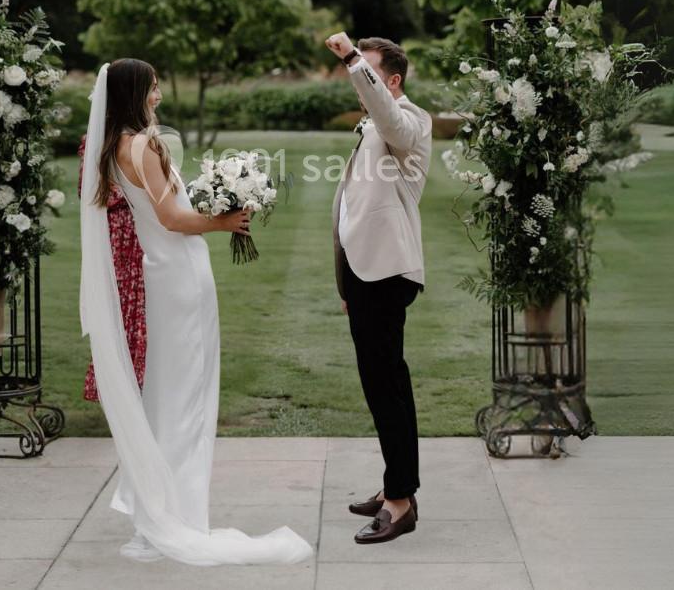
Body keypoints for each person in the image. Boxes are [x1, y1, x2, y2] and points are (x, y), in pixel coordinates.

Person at [77, 58, 315, 566]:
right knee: (186, 399)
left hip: (160, 276)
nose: (159, 94)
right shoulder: (142, 145)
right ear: (136, 91)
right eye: (154, 86)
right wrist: (224, 220)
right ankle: (177, 518)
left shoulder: (116, 147)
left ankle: (158, 509)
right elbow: (172, 217)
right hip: (178, 278)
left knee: (168, 394)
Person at [325, 33, 433, 545]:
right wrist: (346, 274)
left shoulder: (408, 121)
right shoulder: (378, 121)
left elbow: (388, 118)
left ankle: (400, 502)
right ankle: (395, 483)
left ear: (393, 80)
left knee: (387, 385)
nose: (356, 81)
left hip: (387, 274)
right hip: (364, 272)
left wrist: (350, 58)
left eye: (366, 71)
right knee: (379, 384)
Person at [76, 133, 146, 403]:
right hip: (120, 235)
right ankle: (122, 386)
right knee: (123, 308)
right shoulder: (97, 140)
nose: (158, 96)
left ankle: (138, 383)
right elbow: (89, 190)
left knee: (138, 309)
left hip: (139, 232)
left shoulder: (142, 138)